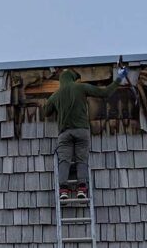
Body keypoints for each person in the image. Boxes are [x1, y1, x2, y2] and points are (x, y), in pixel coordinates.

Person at [44, 67, 127, 201]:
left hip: (64, 133)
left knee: (64, 161)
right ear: (72, 78)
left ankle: (63, 191)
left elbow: (46, 112)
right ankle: (81, 189)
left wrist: (54, 101)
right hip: (81, 131)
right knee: (81, 160)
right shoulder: (80, 88)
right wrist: (118, 78)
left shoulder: (56, 94)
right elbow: (105, 92)